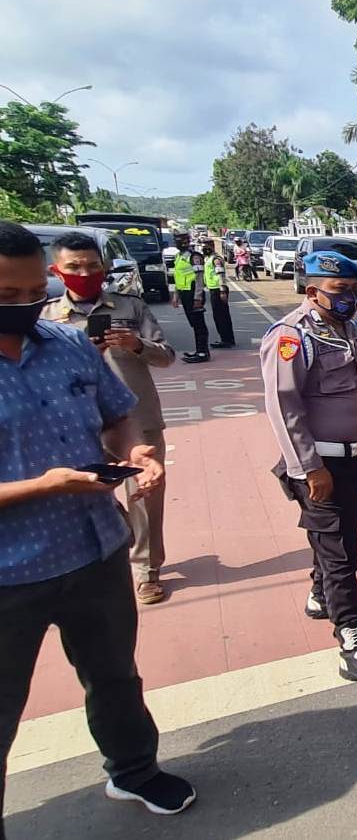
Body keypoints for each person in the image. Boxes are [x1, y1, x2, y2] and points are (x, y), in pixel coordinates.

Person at [0, 221, 195, 826]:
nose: (24, 305)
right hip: (11, 572)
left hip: (95, 549)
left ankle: (134, 771)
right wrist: (42, 486)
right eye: (7, 295)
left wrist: (135, 451)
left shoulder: (68, 344)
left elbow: (118, 416)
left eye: (33, 292)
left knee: (114, 676)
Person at [260, 250, 357, 686]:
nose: (349, 298)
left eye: (354, 290)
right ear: (312, 291)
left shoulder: (350, 329)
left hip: (355, 457)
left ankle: (321, 596)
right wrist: (309, 468)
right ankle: (353, 644)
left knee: (345, 536)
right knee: (339, 553)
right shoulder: (291, 337)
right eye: (340, 290)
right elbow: (283, 406)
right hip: (319, 464)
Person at [42, 231, 177, 605]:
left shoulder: (130, 307)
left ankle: (146, 570)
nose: (84, 273)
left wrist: (136, 344)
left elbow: (166, 356)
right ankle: (99, 555)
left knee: (145, 495)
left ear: (104, 268)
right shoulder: (47, 316)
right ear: (57, 270)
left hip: (137, 418)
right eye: (74, 267)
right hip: (75, 423)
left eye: (92, 266)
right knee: (82, 492)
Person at [170, 231, 209, 363]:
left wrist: (198, 298)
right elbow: (178, 277)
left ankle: (203, 352)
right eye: (176, 241)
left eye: (180, 241)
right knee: (194, 323)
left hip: (194, 293)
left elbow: (199, 278)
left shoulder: (194, 257)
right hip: (184, 293)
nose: (177, 243)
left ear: (186, 242)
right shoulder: (178, 257)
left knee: (199, 324)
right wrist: (175, 295)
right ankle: (199, 350)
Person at [203, 238, 235, 349]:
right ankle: (227, 338)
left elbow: (220, 275)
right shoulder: (208, 258)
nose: (204, 248)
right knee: (221, 315)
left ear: (212, 246)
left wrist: (222, 290)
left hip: (218, 289)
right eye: (203, 246)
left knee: (220, 316)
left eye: (206, 246)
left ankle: (226, 339)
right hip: (213, 289)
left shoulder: (216, 259)